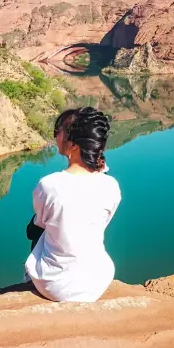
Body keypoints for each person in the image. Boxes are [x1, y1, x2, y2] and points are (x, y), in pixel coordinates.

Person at [24, 107, 121, 302]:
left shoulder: (49, 185)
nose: (56, 137)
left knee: (36, 230)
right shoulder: (111, 186)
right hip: (97, 281)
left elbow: (38, 225)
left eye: (58, 132)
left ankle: (28, 281)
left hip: (55, 286)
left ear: (74, 145)